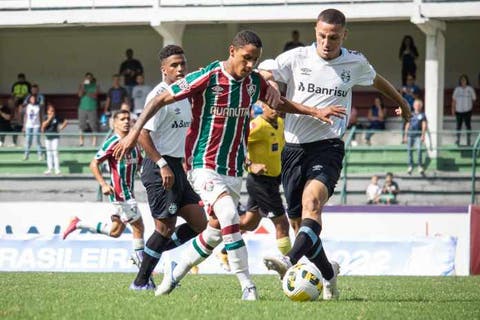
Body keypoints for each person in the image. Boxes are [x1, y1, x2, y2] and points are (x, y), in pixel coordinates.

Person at [113, 30, 330, 300]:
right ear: (232, 51)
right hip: (203, 163)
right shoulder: (208, 76)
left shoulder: (253, 83)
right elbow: (160, 99)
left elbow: (279, 103)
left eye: (255, 60)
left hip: (232, 169)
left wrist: (315, 111)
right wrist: (133, 133)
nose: (250, 65)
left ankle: (173, 273)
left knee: (214, 230)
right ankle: (247, 285)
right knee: (228, 215)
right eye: (246, 58)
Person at [259, 8, 411, 300]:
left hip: (328, 147)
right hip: (292, 149)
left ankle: (289, 261)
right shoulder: (296, 58)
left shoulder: (354, 62)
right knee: (301, 224)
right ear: (315, 32)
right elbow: (266, 74)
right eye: (322, 36)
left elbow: (377, 81)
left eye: (334, 37)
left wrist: (402, 103)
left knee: (312, 203)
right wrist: (271, 82)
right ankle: (329, 275)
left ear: (344, 35)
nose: (327, 42)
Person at [130, 44, 207, 291]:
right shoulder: (160, 95)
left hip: (177, 167)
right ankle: (140, 281)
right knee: (164, 228)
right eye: (174, 65)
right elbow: (142, 134)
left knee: (200, 223)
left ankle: (147, 258)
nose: (180, 68)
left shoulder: (181, 94)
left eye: (182, 63)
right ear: (164, 69)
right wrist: (162, 164)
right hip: (159, 166)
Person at [62, 109, 148, 285]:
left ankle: (78, 223)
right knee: (139, 227)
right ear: (114, 123)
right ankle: (143, 268)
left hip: (129, 192)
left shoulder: (136, 143)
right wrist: (103, 184)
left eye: (128, 119)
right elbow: (94, 163)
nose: (126, 122)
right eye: (122, 119)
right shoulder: (113, 142)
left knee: (116, 232)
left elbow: (139, 166)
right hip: (119, 194)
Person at [217, 101, 292, 270]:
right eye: (270, 106)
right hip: (260, 181)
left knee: (250, 223)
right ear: (262, 108)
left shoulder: (280, 123)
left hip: (273, 180)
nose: (274, 109)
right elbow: (235, 145)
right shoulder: (256, 126)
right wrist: (251, 165)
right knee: (282, 223)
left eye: (276, 106)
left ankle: (222, 247)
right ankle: (290, 267)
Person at [41, 103, 68, 175]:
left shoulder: (57, 117)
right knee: (48, 153)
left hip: (55, 137)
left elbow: (66, 121)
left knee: (55, 152)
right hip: (47, 137)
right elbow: (43, 125)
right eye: (51, 111)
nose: (52, 112)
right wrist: (49, 119)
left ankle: (57, 170)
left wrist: (61, 127)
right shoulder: (45, 117)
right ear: (48, 111)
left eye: (53, 111)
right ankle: (49, 169)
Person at [404, 99, 427, 175]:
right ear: (413, 106)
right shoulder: (410, 114)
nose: (417, 106)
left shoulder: (423, 115)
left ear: (421, 106)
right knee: (409, 151)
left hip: (418, 135)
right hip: (410, 134)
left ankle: (419, 166)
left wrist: (423, 135)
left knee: (419, 150)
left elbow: (424, 125)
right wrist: (405, 135)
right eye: (416, 105)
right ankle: (410, 166)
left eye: (418, 105)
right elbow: (407, 124)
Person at [452, 74, 477, 146]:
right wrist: (453, 109)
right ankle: (457, 140)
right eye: (462, 80)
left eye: (464, 80)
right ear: (460, 81)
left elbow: (474, 99)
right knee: (458, 126)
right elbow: (453, 100)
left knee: (468, 126)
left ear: (467, 81)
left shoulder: (470, 89)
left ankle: (468, 140)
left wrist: (469, 105)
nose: (463, 81)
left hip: (467, 111)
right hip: (458, 111)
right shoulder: (457, 89)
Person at [78, 72, 99, 147]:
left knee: (93, 125)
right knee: (82, 125)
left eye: (90, 77)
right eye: (87, 77)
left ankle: (94, 143)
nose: (88, 79)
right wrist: (83, 86)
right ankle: (81, 142)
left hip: (92, 107)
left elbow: (95, 96)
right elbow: (80, 95)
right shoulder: (82, 85)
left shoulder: (95, 85)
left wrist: (86, 93)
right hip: (82, 107)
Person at [23, 95, 43, 161]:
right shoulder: (27, 106)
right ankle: (26, 155)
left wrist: (42, 125)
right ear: (29, 99)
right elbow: (25, 116)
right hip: (28, 125)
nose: (33, 100)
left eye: (34, 98)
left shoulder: (38, 106)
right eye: (31, 98)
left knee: (37, 140)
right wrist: (24, 126)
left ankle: (40, 155)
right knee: (28, 140)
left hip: (36, 125)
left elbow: (40, 116)